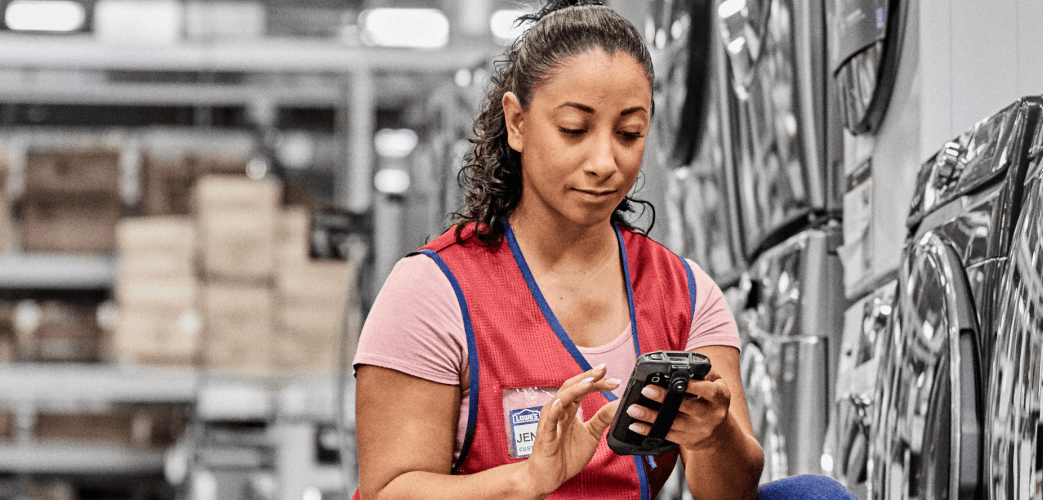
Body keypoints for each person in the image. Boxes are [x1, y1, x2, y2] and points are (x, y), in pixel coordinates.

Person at [352, 2, 850, 499]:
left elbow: (729, 494)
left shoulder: (685, 294)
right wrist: (526, 480)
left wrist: (714, 436)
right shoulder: (434, 291)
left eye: (630, 133)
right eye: (574, 129)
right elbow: (390, 491)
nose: (605, 161)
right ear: (517, 122)